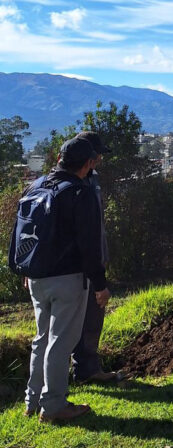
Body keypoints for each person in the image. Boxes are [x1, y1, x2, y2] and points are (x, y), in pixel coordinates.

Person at [9, 136, 109, 422]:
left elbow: (21, 232)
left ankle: (32, 400)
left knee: (41, 339)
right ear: (89, 163)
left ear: (59, 160)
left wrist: (26, 268)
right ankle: (53, 407)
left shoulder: (36, 186)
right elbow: (89, 245)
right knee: (61, 342)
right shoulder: (80, 192)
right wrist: (100, 285)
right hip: (67, 278)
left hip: (36, 277)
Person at [71, 131, 117, 384]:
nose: (99, 159)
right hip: (73, 266)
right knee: (67, 324)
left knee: (92, 319)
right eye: (97, 155)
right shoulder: (71, 183)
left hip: (95, 260)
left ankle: (88, 370)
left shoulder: (93, 180)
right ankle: (54, 385)